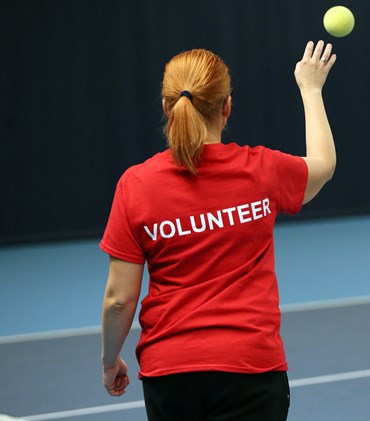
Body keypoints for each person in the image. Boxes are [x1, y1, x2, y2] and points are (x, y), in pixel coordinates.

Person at [100, 41, 337, 420]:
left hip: (170, 372)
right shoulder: (262, 170)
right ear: (227, 106)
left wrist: (110, 360)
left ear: (166, 106)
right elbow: (323, 164)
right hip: (252, 368)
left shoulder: (136, 184)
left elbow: (118, 299)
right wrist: (310, 88)